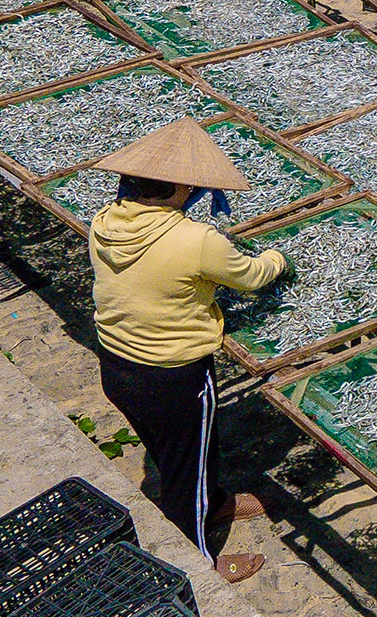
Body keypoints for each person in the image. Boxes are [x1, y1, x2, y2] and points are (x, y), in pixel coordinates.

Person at [88, 119, 290, 582]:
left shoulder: (105, 221)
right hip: (174, 376)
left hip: (116, 363)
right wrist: (279, 260)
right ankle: (196, 563)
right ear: (180, 188)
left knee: (173, 452)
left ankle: (213, 501)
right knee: (185, 470)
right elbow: (252, 277)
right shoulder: (196, 240)